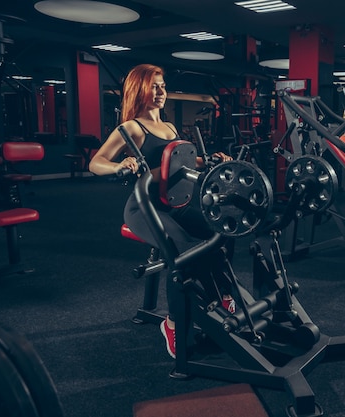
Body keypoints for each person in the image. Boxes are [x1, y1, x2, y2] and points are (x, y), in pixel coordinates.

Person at [89, 64, 234, 359]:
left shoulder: (169, 127)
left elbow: (180, 163)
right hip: (143, 207)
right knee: (183, 253)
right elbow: (95, 162)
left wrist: (210, 160)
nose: (160, 92)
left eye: (162, 86)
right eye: (153, 86)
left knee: (219, 235)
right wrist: (119, 166)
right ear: (139, 90)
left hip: (174, 203)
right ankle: (173, 322)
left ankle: (221, 299)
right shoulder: (131, 128)